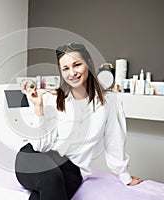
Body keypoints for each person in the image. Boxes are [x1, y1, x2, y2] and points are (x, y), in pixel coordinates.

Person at [15, 42, 143, 200]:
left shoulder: (110, 102)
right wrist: (39, 109)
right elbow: (40, 146)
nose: (72, 73)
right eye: (65, 68)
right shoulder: (52, 98)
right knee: (51, 179)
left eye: (77, 65)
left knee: (43, 193)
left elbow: (115, 140)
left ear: (88, 63)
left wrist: (125, 176)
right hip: (34, 157)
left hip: (72, 170)